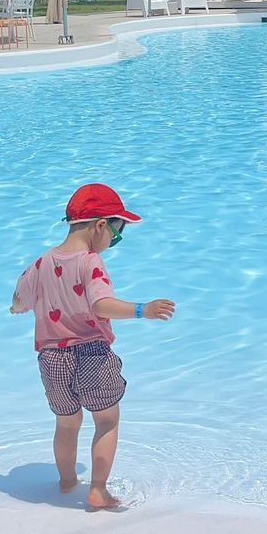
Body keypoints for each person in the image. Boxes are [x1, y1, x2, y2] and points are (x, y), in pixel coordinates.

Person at [10, 183, 175, 510]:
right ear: (101, 225)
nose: (115, 241)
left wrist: (16, 309)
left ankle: (67, 482)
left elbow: (18, 300)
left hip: (51, 358)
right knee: (106, 420)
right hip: (91, 356)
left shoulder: (40, 264)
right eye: (118, 233)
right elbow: (101, 305)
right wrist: (142, 310)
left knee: (66, 423)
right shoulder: (90, 262)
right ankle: (98, 489)